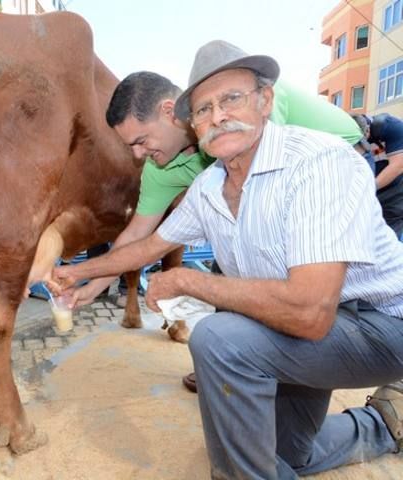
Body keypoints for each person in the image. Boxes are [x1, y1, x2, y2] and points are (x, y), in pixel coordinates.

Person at [53, 39, 403, 478]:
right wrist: (76, 273)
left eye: (231, 99)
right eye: (203, 109)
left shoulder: (321, 162)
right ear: (192, 124)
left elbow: (311, 312)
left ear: (265, 101)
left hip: (380, 324)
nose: (217, 116)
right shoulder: (208, 187)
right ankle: (383, 423)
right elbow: (147, 244)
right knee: (290, 455)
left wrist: (187, 281)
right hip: (320, 330)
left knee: (220, 340)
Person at [63, 44, 363, 393]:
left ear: (168, 111)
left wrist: (188, 285)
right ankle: (239, 363)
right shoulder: (166, 168)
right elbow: (140, 238)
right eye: (130, 146)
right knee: (236, 266)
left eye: (141, 140)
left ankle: (258, 364)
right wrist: (91, 284)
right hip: (273, 215)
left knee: (299, 286)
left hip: (345, 154)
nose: (137, 154)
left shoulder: (248, 121)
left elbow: (265, 211)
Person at [352, 113, 403, 237]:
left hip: (396, 190)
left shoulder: (391, 126)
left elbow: (398, 166)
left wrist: (368, 188)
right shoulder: (348, 137)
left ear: (367, 130)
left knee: (391, 232)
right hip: (374, 191)